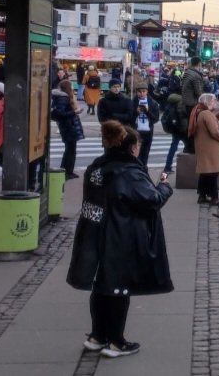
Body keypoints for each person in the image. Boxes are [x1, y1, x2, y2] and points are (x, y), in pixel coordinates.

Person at [66, 120, 174, 358]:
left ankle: (97, 335)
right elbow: (152, 200)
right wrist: (165, 186)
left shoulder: (97, 167)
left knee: (101, 286)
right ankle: (116, 341)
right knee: (118, 288)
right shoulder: (128, 172)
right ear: (133, 147)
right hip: (120, 234)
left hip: (94, 232)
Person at [190, 93, 219, 205]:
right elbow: (215, 131)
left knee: (206, 172)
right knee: (212, 173)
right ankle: (214, 197)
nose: (215, 102)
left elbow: (213, 120)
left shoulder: (200, 111)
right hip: (211, 147)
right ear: (208, 102)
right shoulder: (207, 113)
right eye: (214, 100)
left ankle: (202, 195)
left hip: (204, 146)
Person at [51, 80, 85, 179]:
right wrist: (75, 112)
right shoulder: (63, 98)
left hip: (68, 126)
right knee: (70, 150)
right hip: (68, 126)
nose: (73, 88)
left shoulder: (62, 97)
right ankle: (67, 172)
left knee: (70, 150)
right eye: (71, 86)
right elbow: (60, 114)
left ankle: (67, 170)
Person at [131, 83, 160, 167]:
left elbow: (155, 119)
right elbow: (129, 118)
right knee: (135, 156)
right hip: (136, 133)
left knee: (145, 156)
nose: (142, 93)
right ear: (136, 92)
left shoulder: (153, 103)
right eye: (139, 92)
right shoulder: (133, 102)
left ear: (147, 91)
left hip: (147, 133)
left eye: (144, 91)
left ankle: (143, 172)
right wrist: (136, 112)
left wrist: (147, 112)